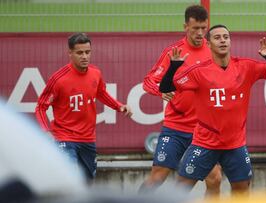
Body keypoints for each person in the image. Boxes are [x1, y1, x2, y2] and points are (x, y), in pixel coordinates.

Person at [159, 24, 266, 195]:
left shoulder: (245, 67)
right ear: (208, 44)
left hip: (235, 145)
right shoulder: (198, 72)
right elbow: (165, 87)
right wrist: (173, 67)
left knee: (242, 191)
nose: (223, 40)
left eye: (226, 37)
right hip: (205, 144)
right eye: (217, 38)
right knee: (179, 190)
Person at [140, 5, 222, 196]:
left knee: (215, 178)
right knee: (158, 177)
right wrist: (160, 91)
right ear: (186, 26)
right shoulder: (174, 52)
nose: (201, 33)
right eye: (196, 29)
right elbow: (148, 81)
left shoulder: (214, 52)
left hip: (203, 131)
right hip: (175, 128)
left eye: (204, 28)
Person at [35, 32, 132, 181]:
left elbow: (101, 93)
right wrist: (46, 131)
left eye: (87, 52)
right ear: (70, 53)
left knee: (87, 182)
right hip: (64, 137)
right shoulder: (58, 79)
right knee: (69, 178)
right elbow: (41, 107)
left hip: (87, 138)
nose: (84, 56)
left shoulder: (95, 73)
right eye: (79, 53)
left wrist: (119, 106)